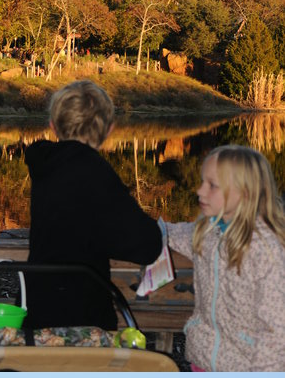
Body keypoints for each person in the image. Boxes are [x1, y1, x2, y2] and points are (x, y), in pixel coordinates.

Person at [23, 80, 162, 330]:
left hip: (36, 308)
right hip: (82, 318)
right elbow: (146, 245)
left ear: (53, 126)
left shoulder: (45, 165)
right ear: (109, 130)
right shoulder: (95, 172)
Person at [165, 145, 285, 372]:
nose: (200, 191)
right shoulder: (208, 231)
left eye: (212, 185)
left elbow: (277, 332)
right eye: (202, 182)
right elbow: (177, 233)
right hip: (203, 358)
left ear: (245, 192)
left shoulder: (266, 251)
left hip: (245, 365)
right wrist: (152, 232)